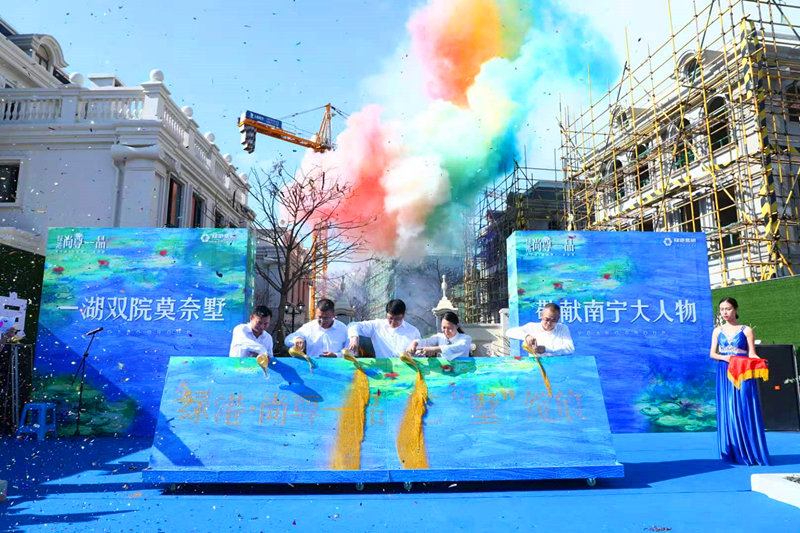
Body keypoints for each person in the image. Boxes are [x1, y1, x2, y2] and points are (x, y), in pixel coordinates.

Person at [710, 297, 770, 465]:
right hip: (725, 371)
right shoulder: (717, 331)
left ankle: (749, 450)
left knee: (744, 408)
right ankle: (732, 450)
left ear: (735, 309)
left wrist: (760, 362)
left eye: (728, 309)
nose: (725, 312)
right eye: (722, 309)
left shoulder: (746, 330)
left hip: (742, 372)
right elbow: (712, 354)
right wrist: (725, 358)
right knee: (728, 408)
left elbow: (752, 353)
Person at [348, 299, 421, 358]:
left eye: (397, 319)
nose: (393, 322)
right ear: (386, 314)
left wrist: (415, 351)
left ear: (404, 315)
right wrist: (354, 338)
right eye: (390, 318)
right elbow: (353, 325)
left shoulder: (413, 332)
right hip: (382, 368)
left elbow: (420, 354)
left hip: (404, 369)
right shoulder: (377, 326)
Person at [284, 298, 348, 357]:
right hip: (312, 364)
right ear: (316, 313)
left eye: (326, 318)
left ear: (333, 315)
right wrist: (297, 339)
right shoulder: (309, 327)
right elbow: (287, 339)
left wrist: (336, 355)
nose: (322, 321)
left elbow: (350, 352)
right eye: (319, 317)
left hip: (335, 364)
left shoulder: (343, 329)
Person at [505, 302, 575, 356]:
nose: (549, 323)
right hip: (537, 364)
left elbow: (570, 348)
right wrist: (526, 336)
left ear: (558, 318)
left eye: (553, 320)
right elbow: (509, 332)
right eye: (546, 319)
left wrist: (546, 349)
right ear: (541, 316)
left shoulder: (563, 328)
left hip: (557, 365)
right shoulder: (532, 327)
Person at [406, 311, 471, 361]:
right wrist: (415, 343)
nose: (446, 331)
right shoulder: (440, 337)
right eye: (444, 327)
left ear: (457, 326)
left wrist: (434, 349)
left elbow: (456, 348)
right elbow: (426, 341)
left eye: (449, 328)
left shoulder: (465, 338)